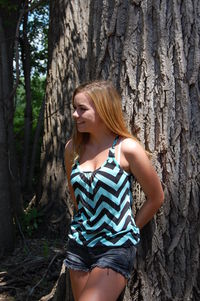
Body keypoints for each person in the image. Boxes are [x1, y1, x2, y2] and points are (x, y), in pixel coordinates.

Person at [64, 80, 164, 301]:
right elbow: (76, 197)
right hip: (79, 245)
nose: (74, 114)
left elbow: (156, 197)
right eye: (74, 108)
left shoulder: (126, 149)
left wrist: (130, 229)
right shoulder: (73, 149)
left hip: (115, 247)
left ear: (102, 110)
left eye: (82, 109)